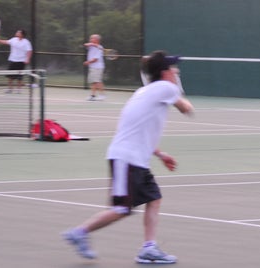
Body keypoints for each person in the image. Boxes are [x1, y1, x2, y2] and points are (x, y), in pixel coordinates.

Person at [62, 50, 194, 264]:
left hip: (135, 158)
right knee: (122, 209)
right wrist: (179, 90)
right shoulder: (166, 88)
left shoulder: (144, 92)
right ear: (165, 72)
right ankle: (80, 232)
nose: (177, 71)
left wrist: (160, 154)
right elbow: (187, 108)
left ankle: (149, 248)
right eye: (173, 68)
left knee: (154, 198)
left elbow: (139, 130)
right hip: (126, 159)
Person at [0, 29, 32, 94]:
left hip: (21, 61)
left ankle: (19, 90)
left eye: (18, 32)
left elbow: (29, 51)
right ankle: (9, 89)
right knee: (10, 76)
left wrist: (27, 59)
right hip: (12, 60)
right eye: (17, 32)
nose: (16, 32)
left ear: (22, 34)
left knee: (19, 77)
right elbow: (5, 42)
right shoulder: (13, 39)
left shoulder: (26, 42)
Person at [83, 34, 106, 101]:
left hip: (97, 67)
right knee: (96, 81)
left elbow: (96, 59)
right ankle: (97, 96)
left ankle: (97, 95)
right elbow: (85, 45)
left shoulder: (100, 48)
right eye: (90, 38)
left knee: (96, 81)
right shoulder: (91, 47)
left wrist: (88, 62)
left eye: (92, 38)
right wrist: (91, 44)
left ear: (97, 40)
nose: (90, 40)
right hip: (93, 67)